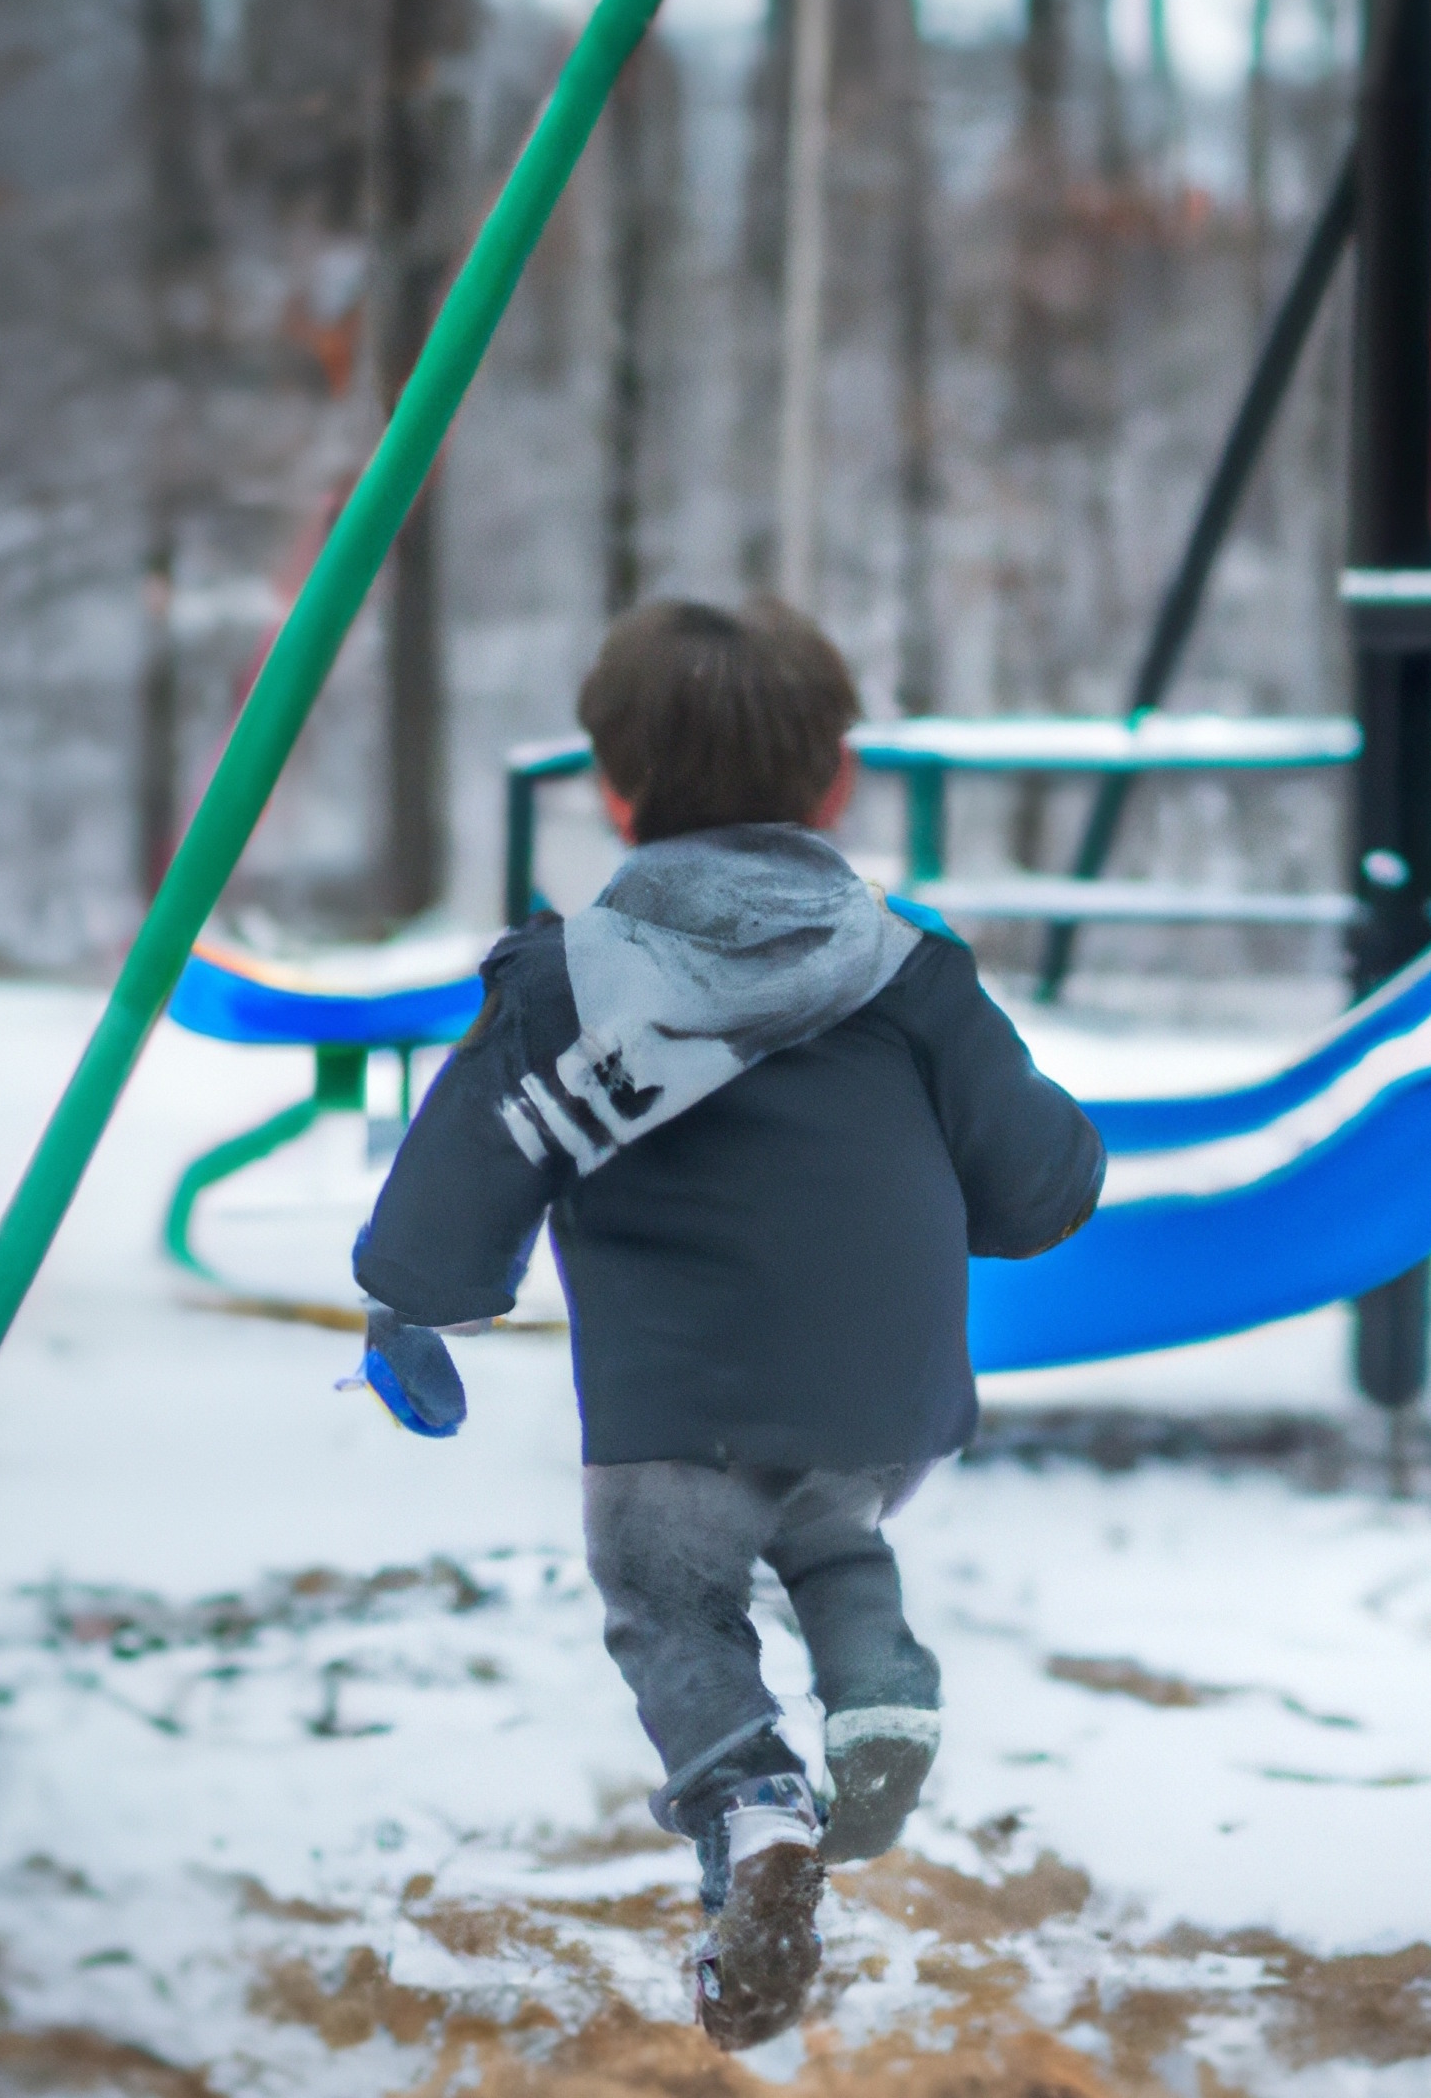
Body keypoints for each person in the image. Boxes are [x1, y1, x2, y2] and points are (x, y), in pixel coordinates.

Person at [352, 598, 1105, 2050]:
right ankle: (877, 1686)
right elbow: (1033, 1191)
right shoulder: (908, 969)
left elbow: (463, 1176)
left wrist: (415, 1302)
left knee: (674, 1600)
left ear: (612, 789)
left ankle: (750, 1817)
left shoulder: (566, 977)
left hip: (672, 1419)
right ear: (835, 781)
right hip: (884, 1415)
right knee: (829, 1528)